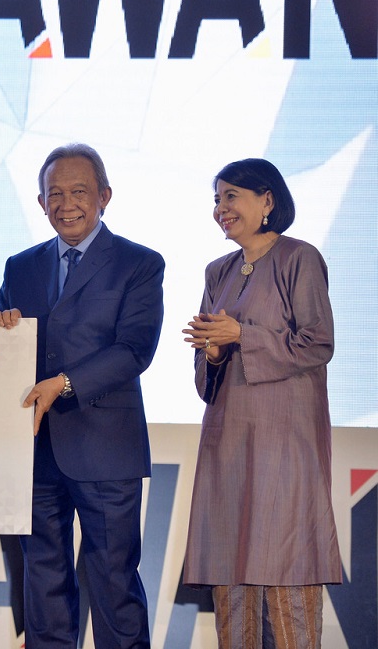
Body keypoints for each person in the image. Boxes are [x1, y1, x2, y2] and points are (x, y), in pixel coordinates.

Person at [0, 143, 164, 648]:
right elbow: (1, 340)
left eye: (79, 192)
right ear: (41, 203)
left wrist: (64, 384)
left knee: (113, 584)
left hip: (105, 449)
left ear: (105, 196)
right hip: (34, 449)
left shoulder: (139, 263)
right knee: (42, 586)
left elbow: (134, 349)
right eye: (55, 194)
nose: (67, 203)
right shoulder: (20, 266)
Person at [181, 158, 341, 648]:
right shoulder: (218, 271)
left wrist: (242, 334)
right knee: (232, 577)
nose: (220, 208)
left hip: (285, 444)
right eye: (216, 199)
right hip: (228, 441)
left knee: (286, 566)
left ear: (267, 200)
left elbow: (317, 343)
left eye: (231, 196)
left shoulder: (300, 258)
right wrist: (212, 352)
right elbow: (208, 380)